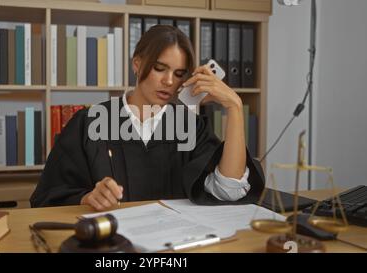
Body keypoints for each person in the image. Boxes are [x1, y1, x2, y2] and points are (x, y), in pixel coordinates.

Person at [30, 25, 264, 210]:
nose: (169, 81)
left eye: (179, 73)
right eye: (160, 68)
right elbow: (47, 196)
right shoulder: (89, 122)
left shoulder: (190, 127)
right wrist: (88, 197)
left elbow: (229, 190)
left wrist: (234, 106)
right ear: (137, 64)